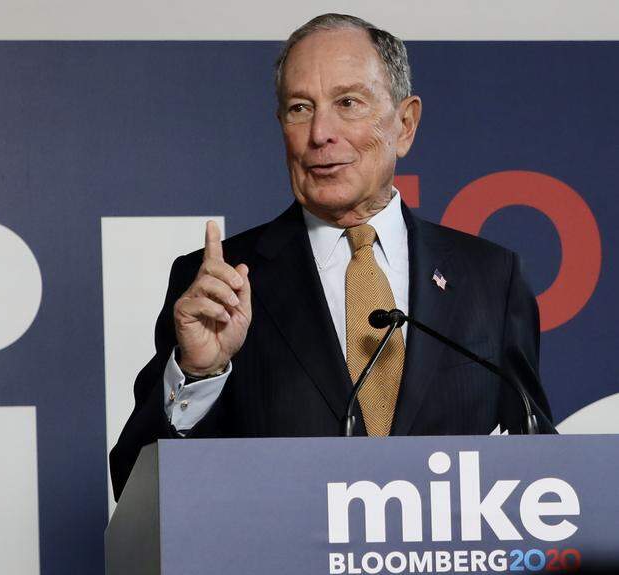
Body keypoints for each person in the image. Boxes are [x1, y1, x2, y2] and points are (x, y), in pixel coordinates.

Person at [109, 13, 553, 501]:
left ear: (405, 124)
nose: (320, 132)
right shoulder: (218, 286)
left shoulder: (490, 277)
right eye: (300, 108)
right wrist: (198, 374)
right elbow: (136, 492)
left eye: (348, 103)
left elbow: (542, 478)